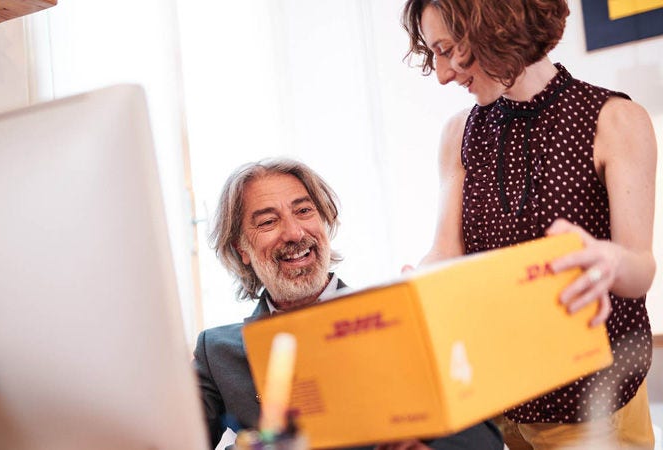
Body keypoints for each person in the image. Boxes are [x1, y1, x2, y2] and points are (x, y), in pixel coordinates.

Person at [401, 1, 657, 448]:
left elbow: (640, 270)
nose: (442, 74)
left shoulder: (615, 119)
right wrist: (421, 283)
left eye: (448, 49)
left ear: (496, 26)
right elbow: (446, 251)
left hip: (591, 400)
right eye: (433, 53)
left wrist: (610, 263)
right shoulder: (458, 134)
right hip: (502, 396)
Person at [193, 158, 503, 450]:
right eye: (268, 222)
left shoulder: (396, 317)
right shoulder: (217, 352)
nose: (294, 232)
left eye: (303, 211)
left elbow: (483, 439)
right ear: (241, 249)